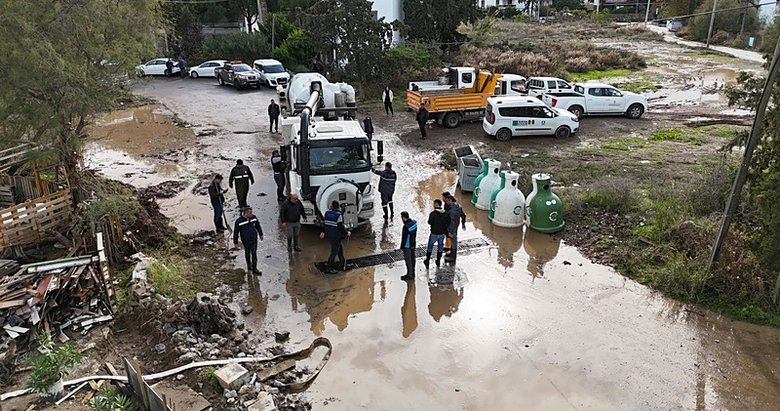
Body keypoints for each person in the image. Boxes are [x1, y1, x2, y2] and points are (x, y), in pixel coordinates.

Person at [320, 200, 350, 274]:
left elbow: (325, 224)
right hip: (336, 236)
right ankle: (329, 268)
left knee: (339, 249)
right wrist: (346, 233)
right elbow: (340, 227)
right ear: (338, 206)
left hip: (329, 235)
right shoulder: (339, 215)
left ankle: (342, 262)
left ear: (331, 206)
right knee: (334, 252)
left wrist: (323, 232)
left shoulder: (327, 213)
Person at [233, 206, 263, 275]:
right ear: (245, 213)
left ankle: (255, 268)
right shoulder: (239, 221)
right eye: (250, 213)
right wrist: (235, 242)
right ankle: (249, 265)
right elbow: (236, 232)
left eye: (251, 212)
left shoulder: (254, 218)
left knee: (254, 253)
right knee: (247, 252)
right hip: (245, 240)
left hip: (254, 239)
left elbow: (258, 226)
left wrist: (261, 234)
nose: (251, 214)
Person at [424, 199, 450, 269]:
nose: (433, 205)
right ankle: (438, 261)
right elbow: (448, 222)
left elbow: (429, 222)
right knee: (440, 246)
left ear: (436, 204)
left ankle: (427, 260)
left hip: (434, 233)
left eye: (434, 204)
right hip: (442, 233)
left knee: (430, 246)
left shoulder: (432, 214)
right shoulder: (445, 213)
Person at [443, 193, 467, 264]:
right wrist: (463, 223)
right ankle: (452, 255)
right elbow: (463, 215)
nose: (446, 202)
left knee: (453, 241)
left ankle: (452, 257)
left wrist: (450, 231)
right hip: (456, 226)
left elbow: (452, 221)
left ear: (450, 200)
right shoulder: (458, 206)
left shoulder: (452, 210)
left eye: (447, 201)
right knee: (453, 241)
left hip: (452, 228)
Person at [400, 211, 417, 281]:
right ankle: (413, 272)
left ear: (403, 218)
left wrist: (402, 246)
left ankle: (409, 274)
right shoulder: (414, 223)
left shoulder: (405, 227)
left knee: (408, 260)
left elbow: (404, 238)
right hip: (413, 244)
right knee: (413, 258)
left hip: (407, 246)